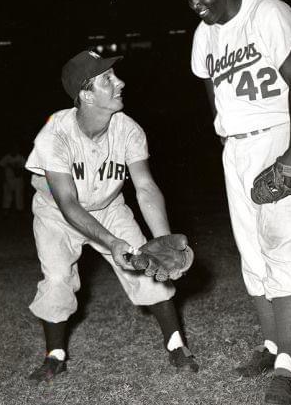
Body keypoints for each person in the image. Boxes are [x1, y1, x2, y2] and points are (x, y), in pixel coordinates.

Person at [167, 0, 291, 405]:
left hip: (279, 135)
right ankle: (272, 346)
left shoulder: (268, 13)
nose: (196, 3)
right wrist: (227, 141)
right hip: (237, 147)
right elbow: (212, 92)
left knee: (287, 246)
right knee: (251, 251)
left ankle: (288, 367)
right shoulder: (203, 35)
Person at [25, 50, 198, 382]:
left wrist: (161, 240)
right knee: (58, 278)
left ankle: (177, 345)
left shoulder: (128, 129)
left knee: (148, 267)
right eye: (107, 79)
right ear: (86, 94)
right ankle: (55, 356)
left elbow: (145, 187)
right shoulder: (55, 133)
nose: (120, 82)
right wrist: (109, 241)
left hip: (109, 206)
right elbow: (67, 203)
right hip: (57, 214)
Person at [0, 144, 26, 214]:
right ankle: (6, 213)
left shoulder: (20, 158)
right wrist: (3, 179)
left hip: (18, 180)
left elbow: (24, 168)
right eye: (13, 148)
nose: (14, 150)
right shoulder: (6, 158)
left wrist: (19, 173)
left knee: (19, 196)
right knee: (7, 196)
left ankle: (20, 213)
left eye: (16, 148)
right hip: (8, 180)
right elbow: (1, 168)